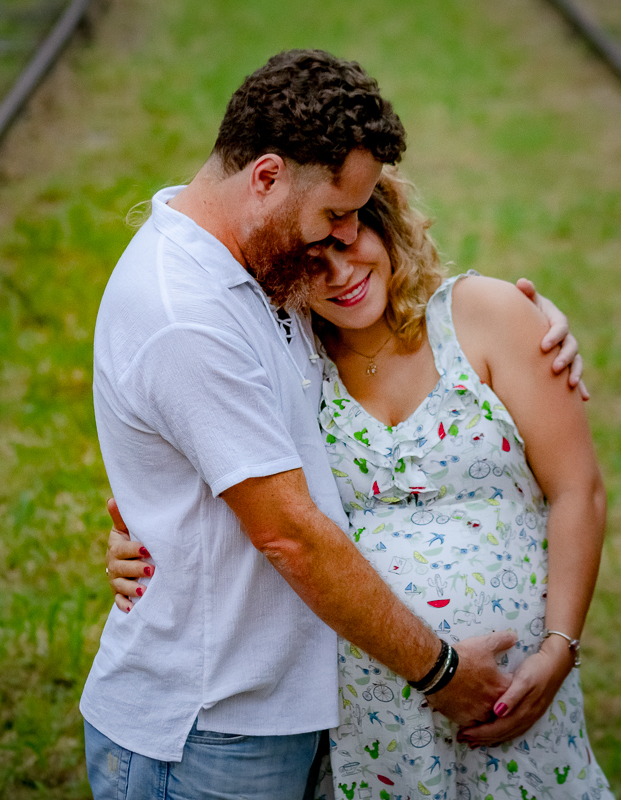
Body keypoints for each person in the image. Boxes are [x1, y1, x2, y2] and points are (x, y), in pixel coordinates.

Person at [83, 49, 587, 800]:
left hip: (294, 714)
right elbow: (290, 534)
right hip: (209, 731)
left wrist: (530, 319)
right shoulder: (189, 309)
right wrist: (441, 673)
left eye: (358, 217)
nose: (342, 239)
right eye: (334, 215)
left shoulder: (261, 269)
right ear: (265, 178)